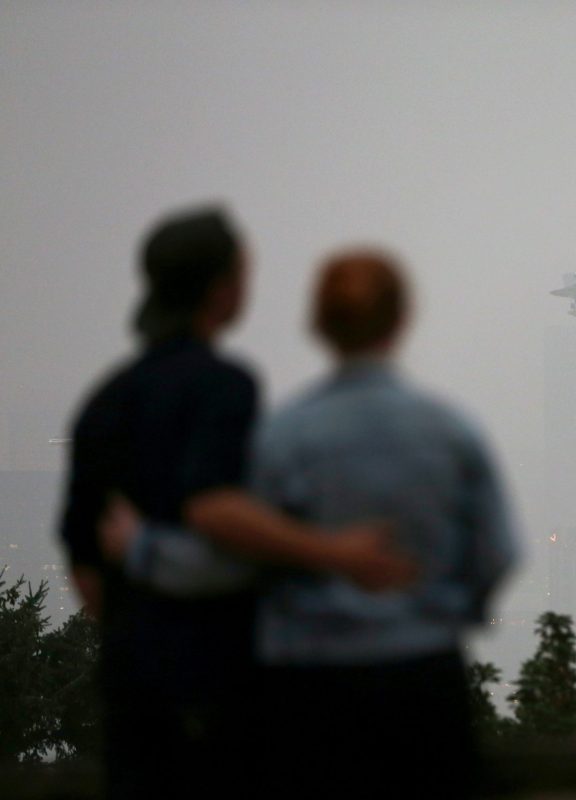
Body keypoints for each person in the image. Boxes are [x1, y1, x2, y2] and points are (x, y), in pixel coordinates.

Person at [117, 247, 518, 798]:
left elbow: (231, 559)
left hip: (308, 691)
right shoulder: (450, 433)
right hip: (423, 684)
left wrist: (143, 550)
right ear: (403, 319)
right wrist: (440, 612)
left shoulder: (284, 436)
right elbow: (498, 552)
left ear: (319, 325)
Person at [59, 207, 413, 800]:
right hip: (220, 684)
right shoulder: (224, 386)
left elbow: (84, 560)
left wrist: (138, 628)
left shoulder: (104, 402)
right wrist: (331, 552)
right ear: (221, 292)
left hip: (129, 688)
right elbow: (212, 507)